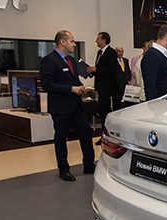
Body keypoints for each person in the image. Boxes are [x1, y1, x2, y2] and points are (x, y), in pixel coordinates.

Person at [40, 30, 95, 181]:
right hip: (60, 107)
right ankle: (63, 169)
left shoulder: (71, 60)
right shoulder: (49, 60)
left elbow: (74, 81)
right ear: (62, 42)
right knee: (61, 137)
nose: (74, 44)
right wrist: (71, 89)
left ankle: (89, 165)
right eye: (71, 41)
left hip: (76, 106)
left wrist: (80, 87)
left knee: (85, 132)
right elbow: (47, 84)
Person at [86, 32, 119, 144]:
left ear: (104, 40)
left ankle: (107, 133)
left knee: (103, 109)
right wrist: (92, 71)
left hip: (107, 86)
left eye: (98, 39)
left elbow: (112, 69)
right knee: (102, 109)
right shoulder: (99, 53)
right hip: (101, 86)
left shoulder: (111, 52)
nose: (96, 41)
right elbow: (101, 68)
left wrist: (97, 70)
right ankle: (107, 133)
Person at [141, 25, 167, 100]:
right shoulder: (152, 55)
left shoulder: (159, 55)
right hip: (159, 108)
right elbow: (150, 89)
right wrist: (156, 109)